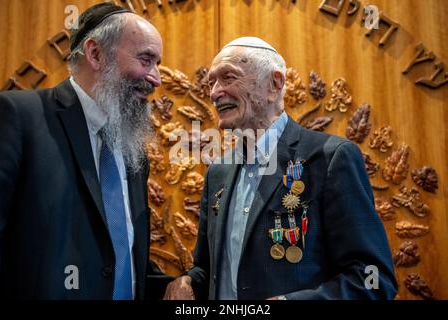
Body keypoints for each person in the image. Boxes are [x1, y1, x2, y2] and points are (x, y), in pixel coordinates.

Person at [164, 37, 398, 300]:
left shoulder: (331, 158)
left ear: (275, 84)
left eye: (228, 78)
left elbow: (373, 278)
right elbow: (210, 269)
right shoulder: (218, 171)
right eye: (212, 83)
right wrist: (186, 281)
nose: (215, 92)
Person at [0, 3, 173, 299]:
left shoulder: (134, 151)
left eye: (156, 64)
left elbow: (118, 255)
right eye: (146, 60)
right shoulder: (19, 117)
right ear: (95, 53)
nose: (156, 77)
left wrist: (174, 285)